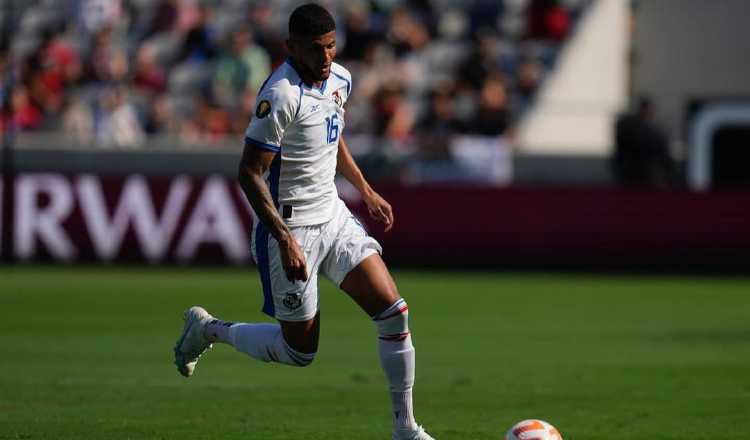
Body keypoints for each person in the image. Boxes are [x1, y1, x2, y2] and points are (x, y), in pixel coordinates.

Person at [173, 5, 436, 440]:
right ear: (290, 47)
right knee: (299, 352)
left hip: (333, 215)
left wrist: (365, 190)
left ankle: (405, 429)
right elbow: (249, 172)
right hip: (291, 229)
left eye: (332, 45)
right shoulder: (280, 95)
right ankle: (209, 329)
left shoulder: (341, 80)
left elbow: (332, 134)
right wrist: (285, 240)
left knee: (394, 313)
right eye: (317, 48)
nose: (327, 56)